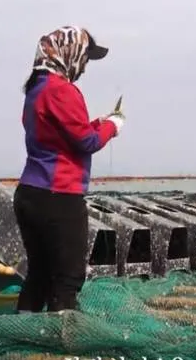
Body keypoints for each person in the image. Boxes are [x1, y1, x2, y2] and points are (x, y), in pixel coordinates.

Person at [13, 25, 125, 313]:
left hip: (30, 194)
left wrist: (98, 123)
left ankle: (25, 336)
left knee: (38, 274)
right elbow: (86, 143)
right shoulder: (62, 90)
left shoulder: (37, 88)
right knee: (68, 277)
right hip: (58, 196)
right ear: (69, 53)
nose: (84, 67)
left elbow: (65, 135)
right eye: (85, 58)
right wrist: (112, 127)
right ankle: (61, 348)